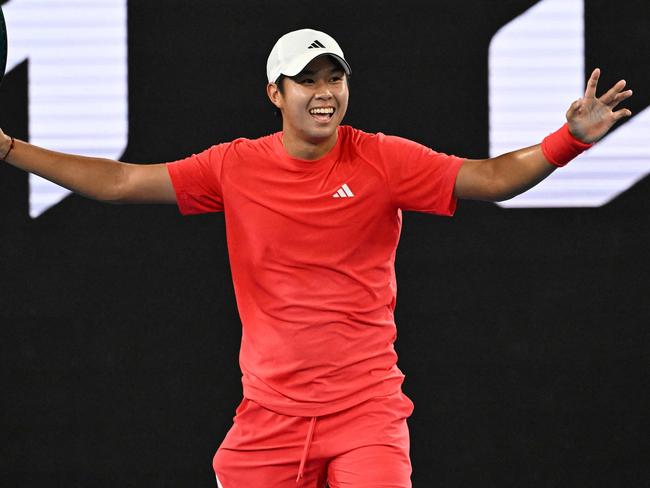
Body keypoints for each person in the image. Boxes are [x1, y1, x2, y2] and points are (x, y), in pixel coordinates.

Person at [0, 28, 633, 488]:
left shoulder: (382, 159)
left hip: (366, 415)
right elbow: (119, 182)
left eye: (335, 78)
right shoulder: (234, 166)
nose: (324, 92)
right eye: (307, 80)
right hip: (268, 419)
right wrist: (7, 150)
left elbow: (491, 179)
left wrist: (567, 141)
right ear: (275, 94)